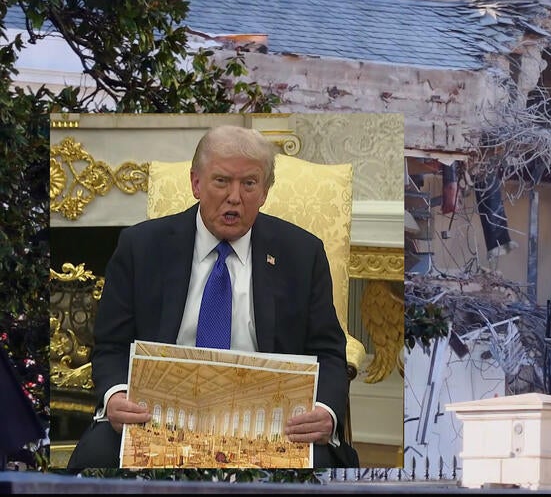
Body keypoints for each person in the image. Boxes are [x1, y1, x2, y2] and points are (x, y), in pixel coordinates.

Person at [67, 125, 358, 469]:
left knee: (324, 466)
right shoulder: (141, 246)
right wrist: (115, 395)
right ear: (196, 183)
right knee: (93, 458)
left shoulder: (302, 253)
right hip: (159, 419)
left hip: (268, 426)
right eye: (221, 181)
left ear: (264, 192)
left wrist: (324, 412)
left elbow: (329, 352)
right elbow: (111, 345)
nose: (235, 197)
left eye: (249, 184)